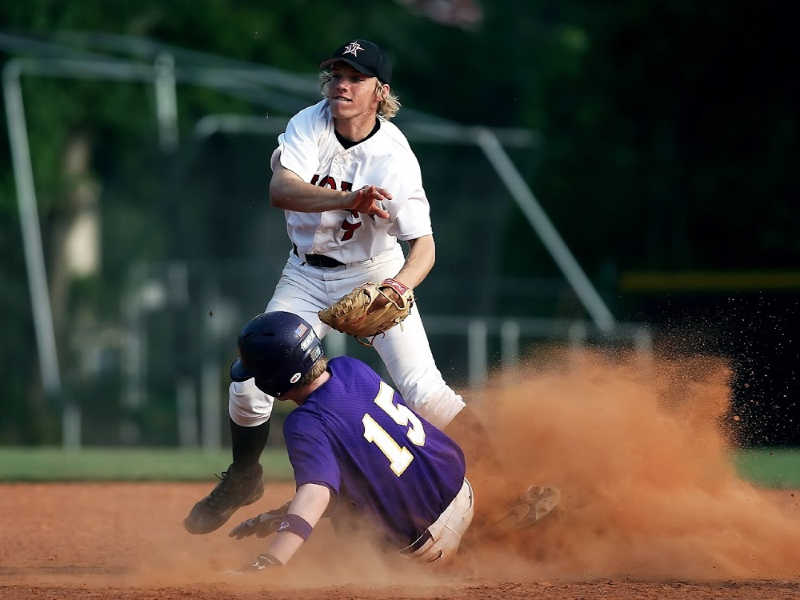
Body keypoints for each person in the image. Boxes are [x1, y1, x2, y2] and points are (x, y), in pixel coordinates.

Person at [184, 38, 556, 535]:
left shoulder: (394, 157)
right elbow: (280, 190)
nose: (341, 84)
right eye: (336, 74)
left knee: (426, 393)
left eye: (355, 77)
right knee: (250, 379)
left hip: (372, 272)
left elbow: (424, 247)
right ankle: (243, 475)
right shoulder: (308, 123)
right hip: (304, 274)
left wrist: (398, 289)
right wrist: (352, 199)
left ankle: (514, 490)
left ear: (379, 91)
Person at [225, 311, 474, 568]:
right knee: (352, 482)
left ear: (272, 380)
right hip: (463, 494)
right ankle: (478, 540)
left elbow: (317, 493)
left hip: (428, 545)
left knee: (348, 529)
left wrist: (272, 560)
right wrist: (281, 516)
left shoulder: (304, 422)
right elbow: (367, 466)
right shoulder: (350, 367)